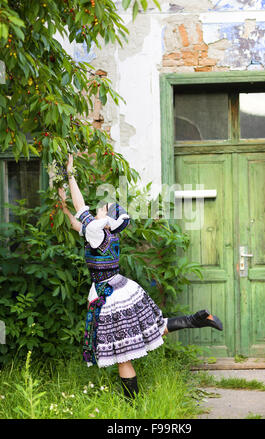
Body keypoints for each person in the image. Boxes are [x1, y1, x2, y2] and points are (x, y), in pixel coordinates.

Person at [58, 154, 223, 401]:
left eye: (103, 208)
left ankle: (132, 407)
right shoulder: (105, 234)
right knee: (155, 328)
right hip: (121, 287)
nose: (99, 208)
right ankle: (196, 319)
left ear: (107, 218)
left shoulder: (97, 231)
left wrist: (70, 174)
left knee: (122, 355)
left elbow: (80, 208)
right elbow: (74, 222)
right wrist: (60, 203)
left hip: (109, 295)